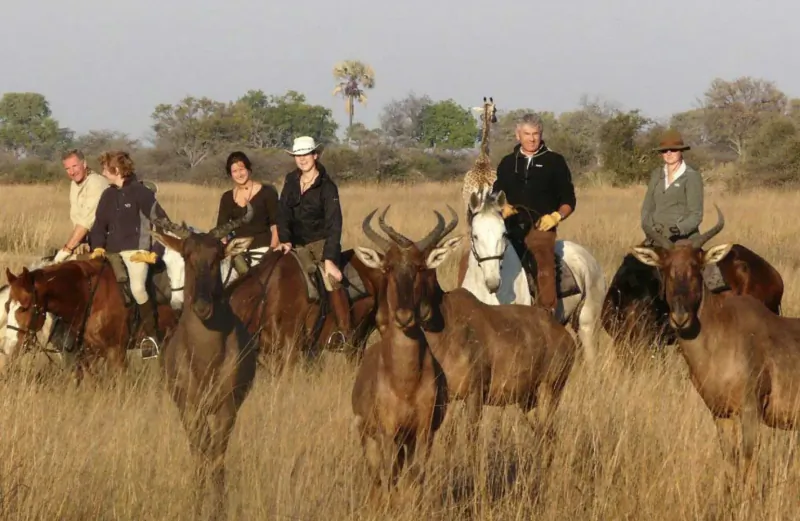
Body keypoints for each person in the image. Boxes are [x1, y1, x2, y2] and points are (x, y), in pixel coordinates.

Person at [491, 112, 576, 315]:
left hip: (540, 229)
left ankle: (546, 312)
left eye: (535, 134)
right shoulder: (507, 163)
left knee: (542, 260)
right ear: (517, 135)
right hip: (509, 228)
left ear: (541, 134)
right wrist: (502, 206)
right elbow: (495, 193)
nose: (531, 138)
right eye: (527, 134)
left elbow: (568, 200)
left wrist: (556, 216)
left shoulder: (555, 162)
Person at [88, 150, 171, 357]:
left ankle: (152, 339)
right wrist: (97, 246)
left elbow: (162, 223)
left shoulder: (141, 193)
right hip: (111, 252)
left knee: (137, 288)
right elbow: (98, 225)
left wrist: (155, 254)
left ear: (116, 170)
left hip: (138, 252)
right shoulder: (107, 194)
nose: (103, 173)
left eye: (105, 169)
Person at [275, 136, 351, 345]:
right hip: (294, 245)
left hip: (320, 244)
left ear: (315, 156)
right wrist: (284, 240)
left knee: (331, 279)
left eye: (306, 154)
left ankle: (343, 333)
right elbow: (282, 213)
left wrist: (329, 258)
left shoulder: (328, 187)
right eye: (298, 156)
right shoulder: (290, 181)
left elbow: (335, 224)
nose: (302, 159)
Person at [216, 151, 280, 282]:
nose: (239, 174)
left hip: (264, 249)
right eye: (234, 171)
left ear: (249, 169)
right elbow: (222, 229)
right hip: (237, 252)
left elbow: (276, 224)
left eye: (242, 169)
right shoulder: (227, 197)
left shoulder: (267, 193)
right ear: (230, 174)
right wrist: (225, 250)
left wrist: (272, 251)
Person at [641, 129, 704, 244]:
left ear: (681, 151)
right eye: (664, 151)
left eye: (673, 150)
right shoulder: (656, 174)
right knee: (631, 260)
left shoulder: (692, 176)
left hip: (683, 240)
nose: (669, 153)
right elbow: (647, 208)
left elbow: (696, 215)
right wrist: (650, 230)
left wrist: (679, 228)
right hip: (656, 238)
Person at [53, 149, 109, 263]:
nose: (72, 172)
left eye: (74, 166)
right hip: (90, 239)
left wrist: (67, 249)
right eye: (68, 168)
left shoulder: (95, 183)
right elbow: (77, 216)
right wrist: (80, 242)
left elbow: (86, 220)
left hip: (108, 240)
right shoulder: (74, 184)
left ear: (84, 164)